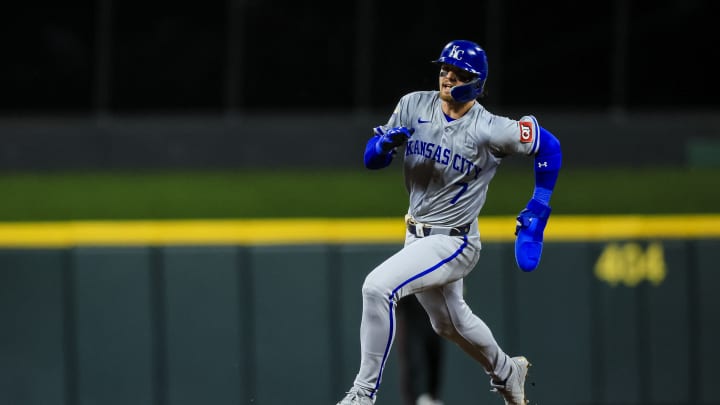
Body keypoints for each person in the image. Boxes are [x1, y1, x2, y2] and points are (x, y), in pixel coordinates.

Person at [335, 39, 562, 405]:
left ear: (476, 81)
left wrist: (539, 205)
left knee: (377, 288)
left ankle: (362, 394)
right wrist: (381, 148)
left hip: (455, 241)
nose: (447, 76)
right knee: (449, 323)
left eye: (457, 73)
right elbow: (369, 159)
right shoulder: (413, 104)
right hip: (416, 234)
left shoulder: (491, 128)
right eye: (444, 69)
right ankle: (507, 371)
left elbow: (549, 146)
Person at [395, 294, 445, 405]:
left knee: (434, 362)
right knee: (413, 363)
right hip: (410, 313)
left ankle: (432, 399)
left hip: (434, 313)